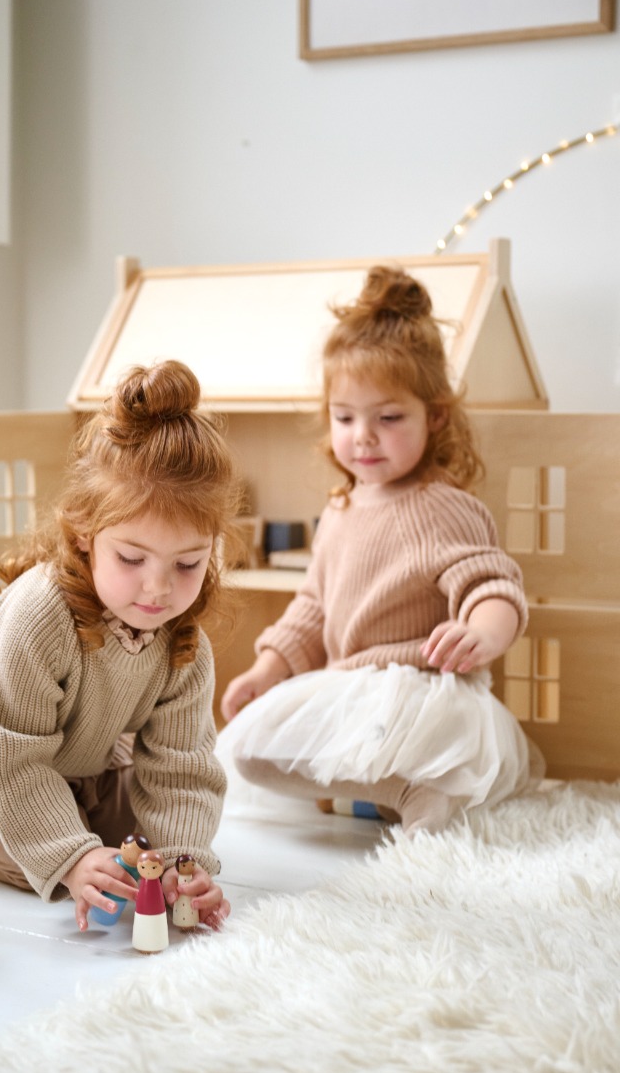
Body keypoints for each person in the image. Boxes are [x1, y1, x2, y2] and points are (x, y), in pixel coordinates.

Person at [218, 266, 544, 837]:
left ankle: (412, 789)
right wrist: (267, 670)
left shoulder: (439, 506)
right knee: (245, 752)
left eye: (388, 418)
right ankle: (385, 792)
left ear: (435, 415)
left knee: (414, 747)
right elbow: (313, 609)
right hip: (349, 686)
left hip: (420, 688)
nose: (363, 436)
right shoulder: (342, 510)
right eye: (345, 418)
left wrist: (484, 633)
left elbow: (491, 585)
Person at [0, 359, 243, 929]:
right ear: (86, 537)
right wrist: (71, 856)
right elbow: (17, 758)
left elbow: (181, 766)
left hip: (75, 747)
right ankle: (26, 836)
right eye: (131, 558)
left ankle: (75, 818)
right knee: (52, 867)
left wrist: (180, 864)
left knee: (136, 858)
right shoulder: (37, 617)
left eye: (188, 563)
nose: (158, 587)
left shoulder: (182, 642)